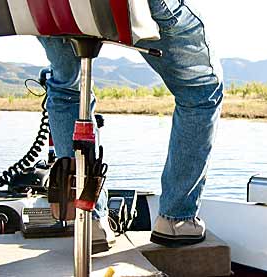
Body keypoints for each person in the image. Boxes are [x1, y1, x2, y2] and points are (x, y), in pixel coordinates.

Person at [38, 0, 223, 247]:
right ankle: (176, 220)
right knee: (200, 91)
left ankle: (89, 220)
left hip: (47, 5)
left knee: (66, 89)